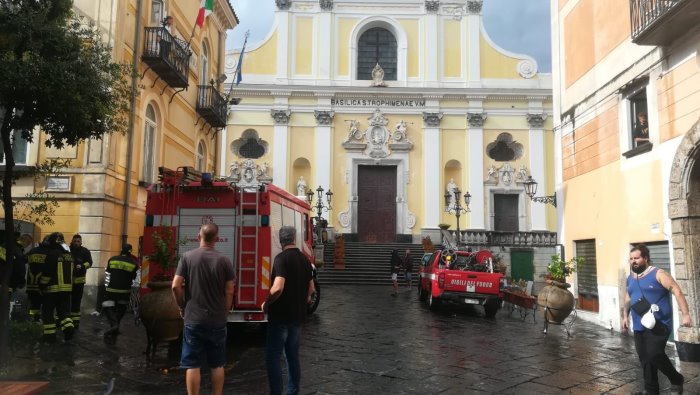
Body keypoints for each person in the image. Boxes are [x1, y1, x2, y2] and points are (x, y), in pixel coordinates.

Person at [172, 223, 235, 395]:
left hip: (193, 318)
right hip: (217, 319)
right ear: (217, 239)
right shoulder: (224, 260)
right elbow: (229, 290)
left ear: (198, 236)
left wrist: (181, 307)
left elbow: (176, 286)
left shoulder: (187, 257)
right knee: (217, 364)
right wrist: (226, 310)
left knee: (192, 364)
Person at [622, 244, 691, 395]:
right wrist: (625, 316)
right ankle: (651, 390)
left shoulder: (658, 273)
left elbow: (677, 290)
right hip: (640, 324)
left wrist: (685, 314)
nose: (633, 261)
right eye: (631, 259)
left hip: (659, 324)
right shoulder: (631, 277)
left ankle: (676, 379)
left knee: (654, 353)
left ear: (645, 258)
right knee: (645, 358)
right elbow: (628, 296)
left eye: (637, 258)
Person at [262, 226, 315, 395]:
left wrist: (266, 302)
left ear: (280, 240)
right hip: (298, 317)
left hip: (280, 317)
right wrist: (303, 301)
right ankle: (293, 391)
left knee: (273, 358)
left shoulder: (281, 259)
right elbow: (312, 289)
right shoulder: (305, 260)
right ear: (294, 239)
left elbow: (278, 287)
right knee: (292, 356)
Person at [38, 232, 74, 343]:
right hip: (66, 290)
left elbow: (47, 274)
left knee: (47, 311)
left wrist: (41, 285)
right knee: (63, 311)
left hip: (52, 289)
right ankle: (69, 327)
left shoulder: (53, 254)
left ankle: (50, 335)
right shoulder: (69, 255)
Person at [102, 244, 138, 345]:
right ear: (130, 252)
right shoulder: (133, 263)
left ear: (121, 250)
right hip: (124, 291)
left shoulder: (112, 259)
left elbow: (108, 271)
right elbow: (134, 277)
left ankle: (114, 324)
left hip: (111, 289)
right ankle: (116, 324)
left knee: (107, 306)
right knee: (121, 308)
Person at [70, 234, 93, 329]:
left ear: (81, 242)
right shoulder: (67, 250)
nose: (76, 243)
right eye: (75, 241)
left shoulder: (85, 251)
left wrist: (83, 266)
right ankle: (65, 320)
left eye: (78, 241)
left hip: (79, 281)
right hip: (67, 281)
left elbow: (90, 263)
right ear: (72, 241)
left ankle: (75, 322)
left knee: (76, 301)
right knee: (66, 301)